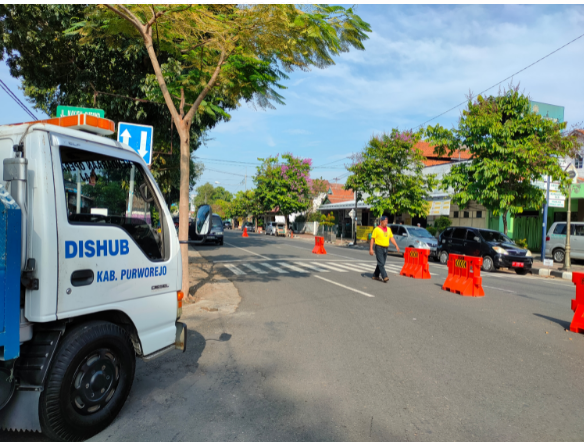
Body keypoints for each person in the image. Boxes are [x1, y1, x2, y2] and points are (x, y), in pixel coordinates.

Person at [369, 215, 400, 283]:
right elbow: (372, 239)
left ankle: (375, 275)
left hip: (386, 248)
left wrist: (396, 245)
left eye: (387, 221)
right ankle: (385, 276)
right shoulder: (376, 229)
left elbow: (391, 238)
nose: (386, 223)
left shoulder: (388, 229)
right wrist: (371, 249)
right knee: (381, 263)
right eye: (385, 221)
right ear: (381, 222)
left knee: (381, 263)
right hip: (379, 247)